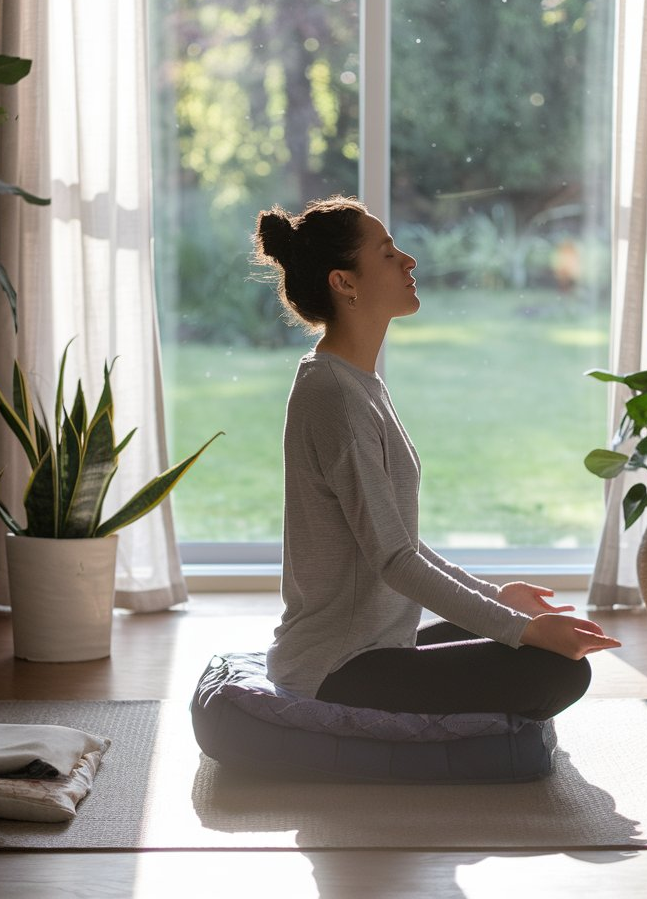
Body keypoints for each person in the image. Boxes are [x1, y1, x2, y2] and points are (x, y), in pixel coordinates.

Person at [252, 194, 621, 719]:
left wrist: (499, 597)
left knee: (545, 652)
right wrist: (524, 628)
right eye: (386, 253)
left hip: (379, 645)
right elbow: (395, 560)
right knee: (557, 668)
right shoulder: (333, 394)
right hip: (336, 669)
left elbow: (397, 542)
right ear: (344, 282)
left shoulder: (356, 383)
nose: (409, 260)